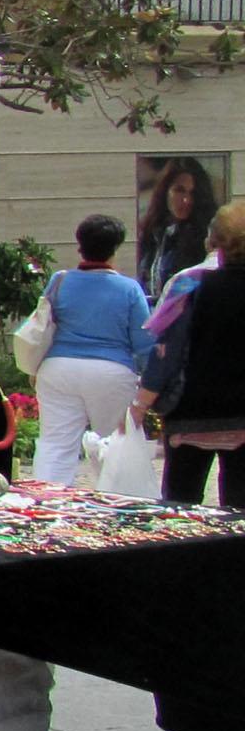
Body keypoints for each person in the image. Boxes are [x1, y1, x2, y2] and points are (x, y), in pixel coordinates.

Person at [28, 214, 151, 487]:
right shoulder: (130, 289)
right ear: (116, 247)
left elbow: (42, 324)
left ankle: (48, 505)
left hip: (58, 368)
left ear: (79, 245)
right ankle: (116, 499)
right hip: (112, 370)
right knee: (116, 440)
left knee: (55, 445)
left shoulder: (59, 281)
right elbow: (144, 342)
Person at [139, 199, 245, 508]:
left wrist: (141, 402)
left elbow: (167, 350)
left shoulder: (191, 286)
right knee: (239, 503)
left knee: (181, 501)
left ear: (214, 241)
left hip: (191, 412)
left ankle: (183, 555)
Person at [138, 157, 215, 301]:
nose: (186, 200)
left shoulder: (203, 237)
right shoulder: (152, 232)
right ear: (165, 191)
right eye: (179, 191)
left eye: (192, 193)